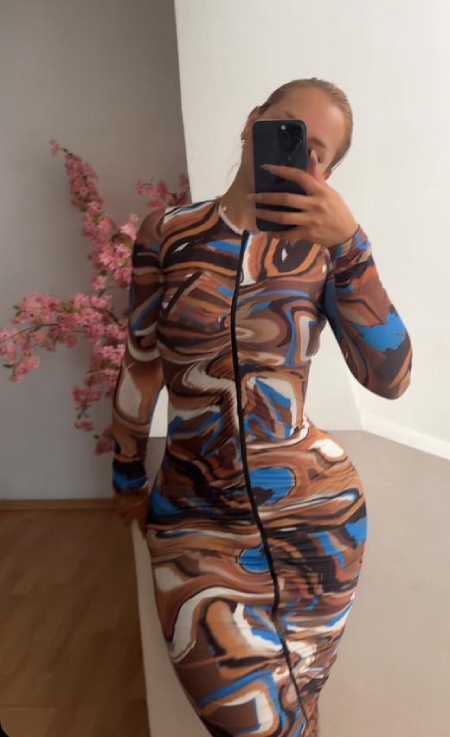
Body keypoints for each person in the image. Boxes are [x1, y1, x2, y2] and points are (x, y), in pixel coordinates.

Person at [111, 77, 413, 737]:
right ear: (254, 121)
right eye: (286, 127)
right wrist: (126, 472)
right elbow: (141, 363)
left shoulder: (324, 251)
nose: (296, 150)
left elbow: (391, 377)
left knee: (299, 713)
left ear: (326, 172)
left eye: (317, 150)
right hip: (195, 521)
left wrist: (351, 245)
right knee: (252, 725)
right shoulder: (169, 233)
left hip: (317, 527)